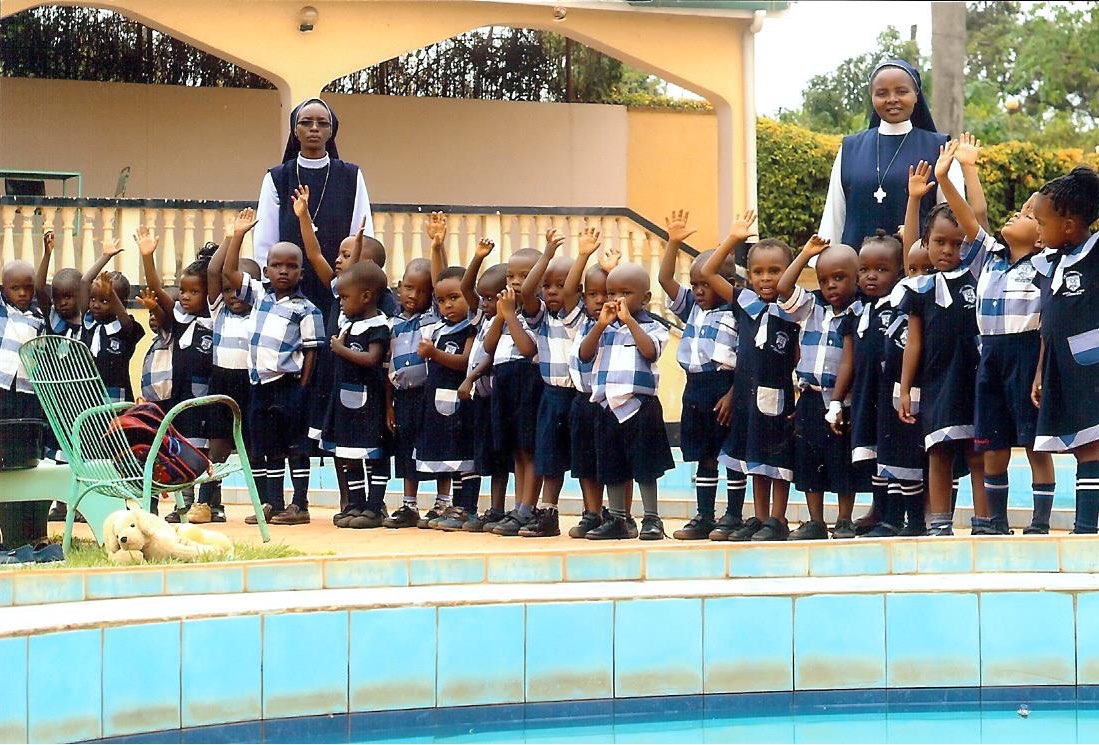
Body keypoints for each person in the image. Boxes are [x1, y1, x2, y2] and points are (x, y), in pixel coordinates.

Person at [935, 135, 1056, 535]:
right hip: (991, 356)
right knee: (992, 444)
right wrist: (953, 173)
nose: (1015, 215)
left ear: (1040, 235)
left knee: (1036, 442)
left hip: (1027, 354)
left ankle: (1039, 522)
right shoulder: (988, 257)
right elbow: (968, 214)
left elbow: (1048, 327)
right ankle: (994, 520)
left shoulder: (1046, 265)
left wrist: (1040, 370)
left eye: (1027, 215)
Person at [898, 152, 988, 536]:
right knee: (938, 453)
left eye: (955, 244)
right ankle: (939, 522)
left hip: (976, 380)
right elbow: (913, 343)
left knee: (977, 452)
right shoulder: (919, 287)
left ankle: (985, 520)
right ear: (926, 242)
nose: (947, 251)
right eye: (939, 242)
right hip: (937, 383)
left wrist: (967, 170)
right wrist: (905, 389)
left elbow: (979, 219)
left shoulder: (977, 274)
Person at [224, 208, 325, 526]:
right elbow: (230, 273)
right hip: (259, 386)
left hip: (289, 386)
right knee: (264, 448)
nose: (283, 271)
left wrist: (302, 389)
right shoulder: (257, 295)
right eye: (277, 265)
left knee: (294, 446)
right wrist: (238, 235)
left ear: (301, 273)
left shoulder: (307, 309)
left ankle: (299, 504)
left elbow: (311, 352)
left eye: (291, 267)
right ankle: (270, 502)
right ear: (266, 270)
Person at [702, 219, 797, 542]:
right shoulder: (745, 301)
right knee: (755, 458)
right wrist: (733, 238)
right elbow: (710, 272)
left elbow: (796, 354)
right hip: (746, 395)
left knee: (778, 458)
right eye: (758, 272)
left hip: (778, 395)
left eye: (775, 271)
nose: (766, 278)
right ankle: (758, 518)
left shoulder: (794, 308)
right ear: (749, 274)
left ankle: (778, 518)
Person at [659, 211, 743, 542]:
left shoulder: (738, 311)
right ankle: (704, 516)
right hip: (695, 389)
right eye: (694, 285)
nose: (698, 290)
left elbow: (746, 359)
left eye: (705, 284)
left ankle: (733, 515)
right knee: (704, 456)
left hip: (725, 389)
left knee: (732, 454)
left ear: (728, 284)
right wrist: (673, 243)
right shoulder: (693, 310)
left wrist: (733, 395)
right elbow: (665, 280)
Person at [819, 59, 963, 247]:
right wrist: (826, 258)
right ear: (872, 97)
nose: (892, 99)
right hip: (857, 270)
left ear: (916, 95)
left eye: (902, 91)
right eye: (882, 93)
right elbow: (835, 216)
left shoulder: (942, 148)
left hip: (919, 271)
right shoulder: (850, 148)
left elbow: (953, 217)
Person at [579, 262, 674, 540]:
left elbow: (650, 352)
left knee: (645, 465)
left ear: (645, 298)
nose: (614, 300)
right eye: (610, 293)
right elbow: (585, 354)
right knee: (612, 464)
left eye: (625, 293)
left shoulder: (654, 327)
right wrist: (600, 325)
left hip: (640, 405)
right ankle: (618, 518)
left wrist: (630, 322)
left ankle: (652, 519)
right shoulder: (602, 327)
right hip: (607, 406)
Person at [517, 227, 602, 538]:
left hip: (578, 396)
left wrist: (582, 255)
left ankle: (592, 513)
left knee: (583, 458)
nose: (552, 291)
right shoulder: (541, 318)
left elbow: (568, 293)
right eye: (547, 286)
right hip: (551, 396)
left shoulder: (576, 314)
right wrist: (547, 255)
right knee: (549, 458)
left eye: (560, 285)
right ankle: (548, 513)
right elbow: (526, 291)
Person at [777, 237, 863, 540]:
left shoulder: (860, 313)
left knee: (841, 459)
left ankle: (843, 519)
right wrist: (805, 255)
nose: (831, 286)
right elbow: (784, 289)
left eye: (839, 278)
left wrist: (839, 403)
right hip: (811, 398)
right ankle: (815, 521)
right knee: (808, 458)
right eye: (824, 279)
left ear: (857, 277)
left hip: (842, 402)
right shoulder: (811, 306)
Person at [254, 98, 373, 314]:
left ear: (331, 131)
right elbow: (265, 239)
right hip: (288, 283)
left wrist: (355, 280)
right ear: (295, 131)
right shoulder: (278, 177)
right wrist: (271, 285)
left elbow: (362, 232)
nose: (314, 128)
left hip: (339, 284)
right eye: (306, 122)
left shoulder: (350, 175)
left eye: (323, 123)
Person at [1030, 166, 1099, 534]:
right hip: (1062, 366)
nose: (1037, 229)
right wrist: (1040, 371)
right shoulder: (1052, 261)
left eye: (1042, 223)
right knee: (1081, 446)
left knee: (1091, 445)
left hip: (1092, 367)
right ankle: (1086, 524)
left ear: (1070, 225)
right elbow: (1048, 327)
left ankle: (1087, 526)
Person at [137, 227, 216, 523]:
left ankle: (205, 504)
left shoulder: (215, 320)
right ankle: (183, 505)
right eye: (183, 291)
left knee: (202, 451)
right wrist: (148, 257)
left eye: (194, 292)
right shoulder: (179, 322)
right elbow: (158, 291)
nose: (185, 297)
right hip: (178, 400)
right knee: (178, 450)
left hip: (205, 399)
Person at [831, 230, 906, 536]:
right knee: (873, 455)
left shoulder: (902, 304)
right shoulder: (856, 311)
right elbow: (848, 360)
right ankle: (879, 512)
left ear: (899, 273)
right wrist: (836, 402)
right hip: (865, 394)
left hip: (892, 394)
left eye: (881, 269)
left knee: (893, 453)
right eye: (864, 270)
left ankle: (894, 517)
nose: (871, 277)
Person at [190, 238, 262, 525]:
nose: (234, 295)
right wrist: (234, 237)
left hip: (251, 383)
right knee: (217, 447)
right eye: (228, 289)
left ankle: (265, 502)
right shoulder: (218, 309)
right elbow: (213, 272)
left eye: (240, 290)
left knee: (254, 447)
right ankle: (205, 501)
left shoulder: (260, 311)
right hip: (221, 384)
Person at [564, 241, 628, 538]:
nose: (601, 299)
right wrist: (583, 255)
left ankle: (621, 516)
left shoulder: (626, 323)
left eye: (608, 293)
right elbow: (567, 293)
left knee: (616, 461)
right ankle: (592, 512)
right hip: (583, 400)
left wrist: (614, 271)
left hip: (613, 403)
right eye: (593, 294)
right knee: (586, 461)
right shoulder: (579, 320)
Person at [322, 260, 393, 529]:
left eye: (345, 297)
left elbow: (372, 359)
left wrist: (341, 350)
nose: (340, 302)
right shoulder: (348, 322)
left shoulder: (378, 326)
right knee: (349, 454)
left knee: (373, 454)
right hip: (345, 402)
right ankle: (356, 503)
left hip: (369, 404)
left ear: (366, 297)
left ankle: (375, 507)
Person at [383, 257, 450, 528]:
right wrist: (389, 405)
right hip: (403, 397)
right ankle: (409, 504)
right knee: (406, 447)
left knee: (436, 446)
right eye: (409, 287)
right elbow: (387, 366)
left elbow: (441, 279)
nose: (414, 295)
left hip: (430, 395)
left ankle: (442, 502)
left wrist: (436, 246)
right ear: (399, 287)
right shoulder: (391, 323)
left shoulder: (434, 318)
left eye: (423, 290)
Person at [484, 249, 543, 536]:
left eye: (525, 276)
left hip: (526, 377)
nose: (517, 281)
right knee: (517, 449)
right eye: (512, 275)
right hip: (504, 378)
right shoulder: (507, 309)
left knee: (529, 447)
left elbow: (528, 349)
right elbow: (488, 346)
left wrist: (510, 316)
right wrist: (502, 315)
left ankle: (526, 508)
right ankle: (519, 506)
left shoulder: (537, 312)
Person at [455, 242, 511, 532]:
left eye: (491, 298)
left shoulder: (503, 323)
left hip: (495, 397)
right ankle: (485, 509)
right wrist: (477, 258)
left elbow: (489, 357)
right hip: (481, 399)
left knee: (499, 458)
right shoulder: (481, 317)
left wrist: (470, 378)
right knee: (484, 455)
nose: (485, 303)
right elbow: (467, 288)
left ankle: (498, 507)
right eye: (484, 298)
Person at [413, 266, 477, 518]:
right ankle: (451, 505)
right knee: (448, 455)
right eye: (441, 300)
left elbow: (464, 361)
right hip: (437, 401)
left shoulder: (470, 328)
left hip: (459, 401)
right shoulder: (439, 329)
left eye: (454, 298)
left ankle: (467, 506)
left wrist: (434, 354)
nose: (447, 305)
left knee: (463, 455)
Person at [80, 242, 144, 404]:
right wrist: (105, 257)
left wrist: (112, 293)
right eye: (93, 299)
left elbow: (125, 319)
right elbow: (84, 282)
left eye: (104, 300)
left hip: (116, 401)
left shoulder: (125, 329)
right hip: (86, 400)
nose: (95, 304)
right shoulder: (88, 322)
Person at [0, 260, 45, 421]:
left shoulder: (39, 317)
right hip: (2, 383)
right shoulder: (3, 310)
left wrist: (47, 255)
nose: (22, 293)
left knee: (22, 432)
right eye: (15, 288)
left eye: (28, 287)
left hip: (25, 388)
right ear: (3, 289)